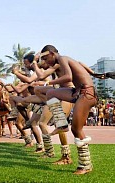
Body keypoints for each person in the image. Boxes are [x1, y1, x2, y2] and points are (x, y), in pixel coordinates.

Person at [35, 45, 97, 174]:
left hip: (87, 94)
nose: (46, 62)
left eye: (46, 58)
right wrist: (95, 74)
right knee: (51, 93)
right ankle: (62, 125)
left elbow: (68, 77)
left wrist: (47, 83)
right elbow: (80, 65)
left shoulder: (62, 58)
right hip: (78, 92)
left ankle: (85, 165)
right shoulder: (66, 59)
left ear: (52, 53)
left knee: (76, 129)